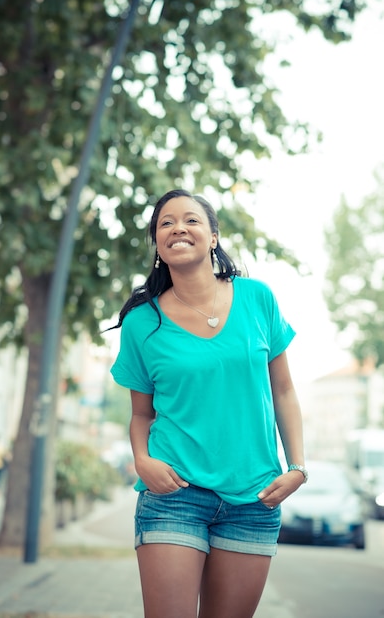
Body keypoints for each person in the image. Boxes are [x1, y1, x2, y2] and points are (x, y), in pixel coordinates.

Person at [110, 189, 307, 618]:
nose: (178, 227)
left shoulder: (258, 299)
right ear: (158, 245)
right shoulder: (143, 322)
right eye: (166, 223)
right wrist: (142, 460)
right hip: (174, 493)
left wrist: (298, 467)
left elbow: (285, 391)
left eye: (191, 220)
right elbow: (141, 414)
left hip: (254, 497)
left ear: (213, 237)